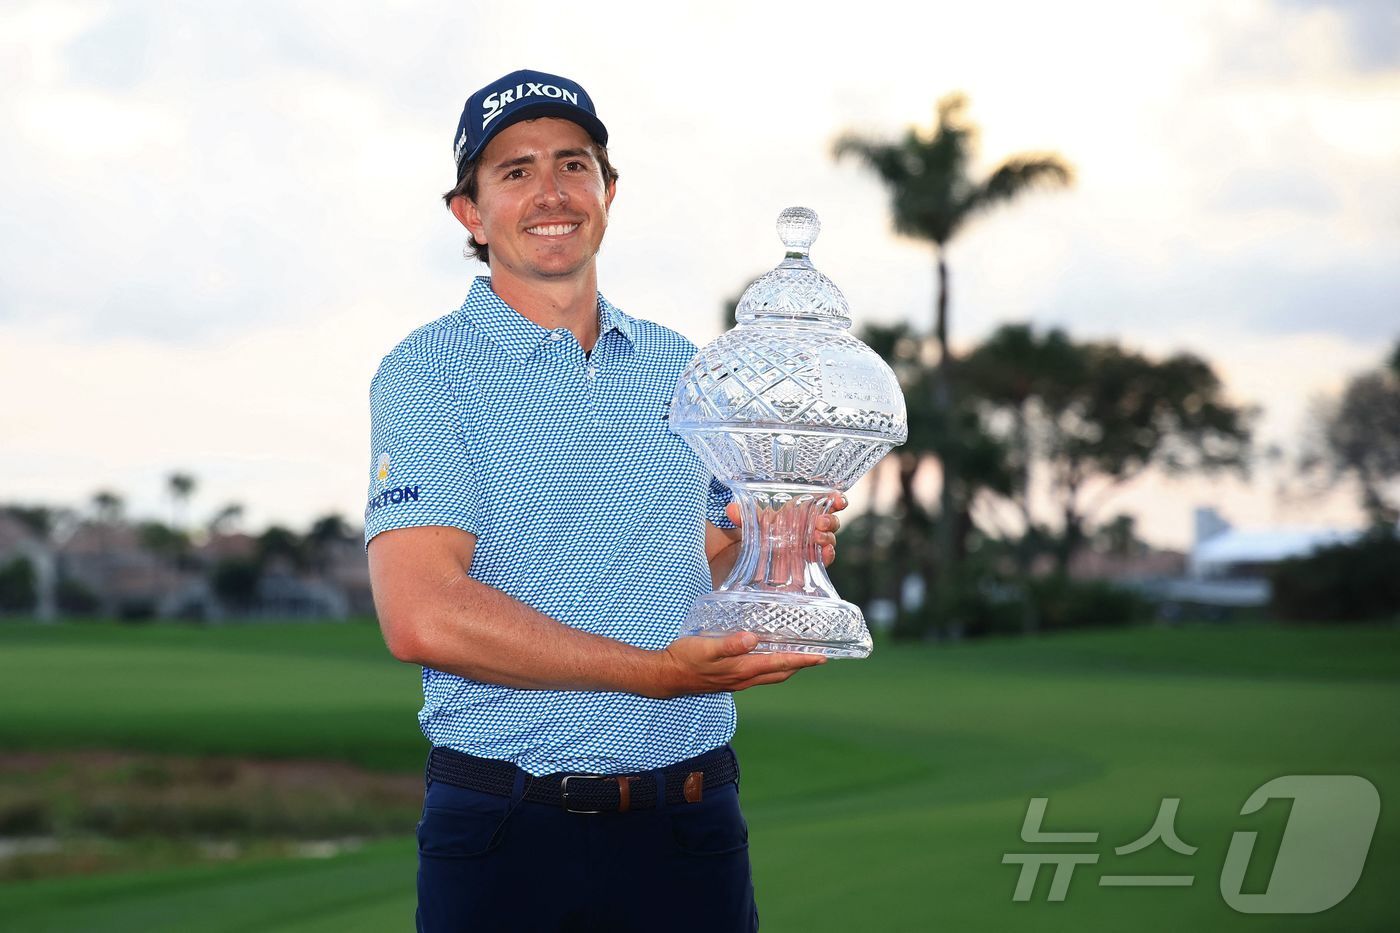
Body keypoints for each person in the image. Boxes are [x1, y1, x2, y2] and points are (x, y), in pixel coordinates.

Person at [364, 69, 843, 933]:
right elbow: (422, 615)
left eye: (573, 165)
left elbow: (692, 550)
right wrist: (657, 675)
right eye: (514, 172)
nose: (550, 192)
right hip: (510, 830)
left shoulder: (684, 366)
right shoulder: (426, 372)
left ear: (608, 192)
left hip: (693, 820)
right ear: (469, 212)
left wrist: (775, 540)